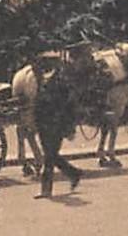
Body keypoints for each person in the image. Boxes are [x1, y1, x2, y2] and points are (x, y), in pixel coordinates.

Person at [34, 48, 88, 199]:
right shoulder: (44, 78)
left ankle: (46, 190)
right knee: (51, 155)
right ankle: (74, 173)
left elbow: (69, 105)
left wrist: (68, 126)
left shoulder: (62, 80)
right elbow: (39, 101)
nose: (45, 65)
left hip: (56, 123)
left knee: (49, 158)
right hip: (44, 123)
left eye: (48, 62)